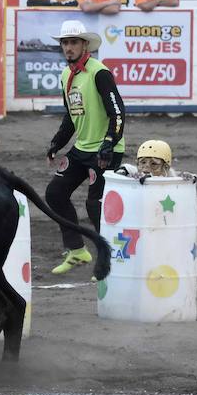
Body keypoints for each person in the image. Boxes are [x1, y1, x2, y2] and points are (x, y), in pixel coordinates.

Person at [45, 19, 125, 275]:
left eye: (73, 42)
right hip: (82, 148)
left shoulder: (99, 72)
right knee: (55, 194)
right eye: (65, 43)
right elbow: (71, 115)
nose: (68, 47)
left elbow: (118, 112)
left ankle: (110, 261)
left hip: (105, 150)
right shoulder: (66, 75)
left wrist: (109, 143)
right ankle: (77, 250)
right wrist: (57, 142)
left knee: (95, 205)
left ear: (84, 45)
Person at [115, 140, 197, 183]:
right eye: (143, 162)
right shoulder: (136, 174)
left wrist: (188, 178)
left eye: (154, 164)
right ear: (137, 163)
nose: (146, 167)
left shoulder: (171, 177)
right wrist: (122, 171)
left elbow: (179, 177)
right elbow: (128, 169)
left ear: (165, 167)